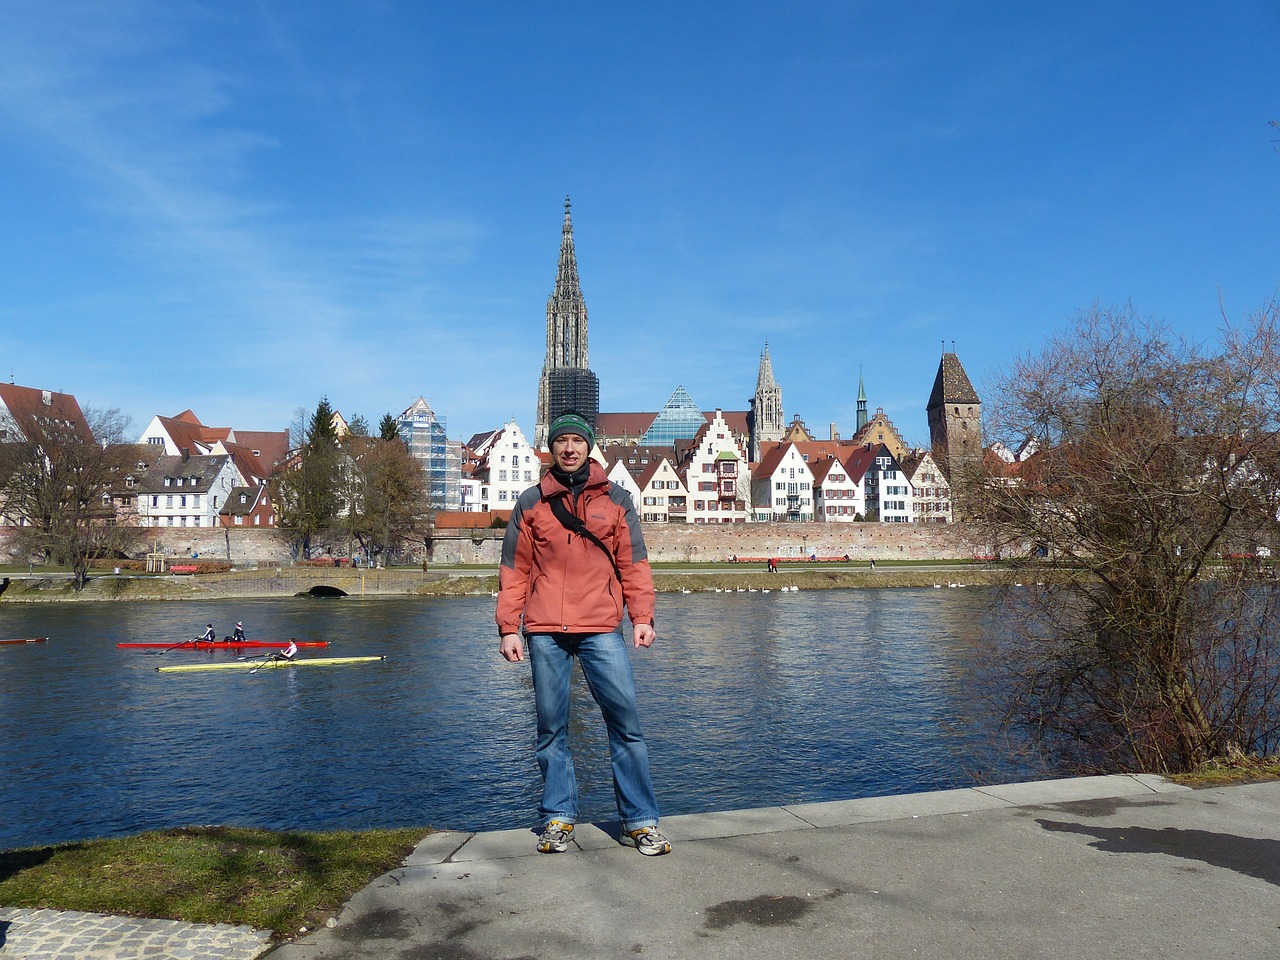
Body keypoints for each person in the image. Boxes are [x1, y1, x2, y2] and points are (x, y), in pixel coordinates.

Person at [497, 411, 671, 857]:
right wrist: (507, 627)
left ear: (588, 446)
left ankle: (641, 822)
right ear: (551, 449)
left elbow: (634, 564)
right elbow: (515, 570)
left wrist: (643, 618)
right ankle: (558, 817)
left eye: (577, 440)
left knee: (626, 725)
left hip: (600, 626)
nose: (569, 448)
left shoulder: (616, 500)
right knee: (551, 729)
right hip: (544, 629)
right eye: (562, 441)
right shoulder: (530, 502)